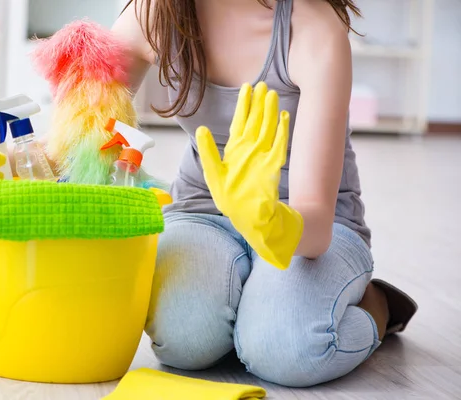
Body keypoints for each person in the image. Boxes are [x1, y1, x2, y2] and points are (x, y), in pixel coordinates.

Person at [109, 0, 418, 387]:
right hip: (203, 209)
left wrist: (267, 220)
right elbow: (90, 128)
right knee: (184, 342)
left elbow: (316, 225)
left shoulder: (314, 27)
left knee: (287, 350)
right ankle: (246, 308)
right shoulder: (156, 12)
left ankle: (377, 307)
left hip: (306, 225)